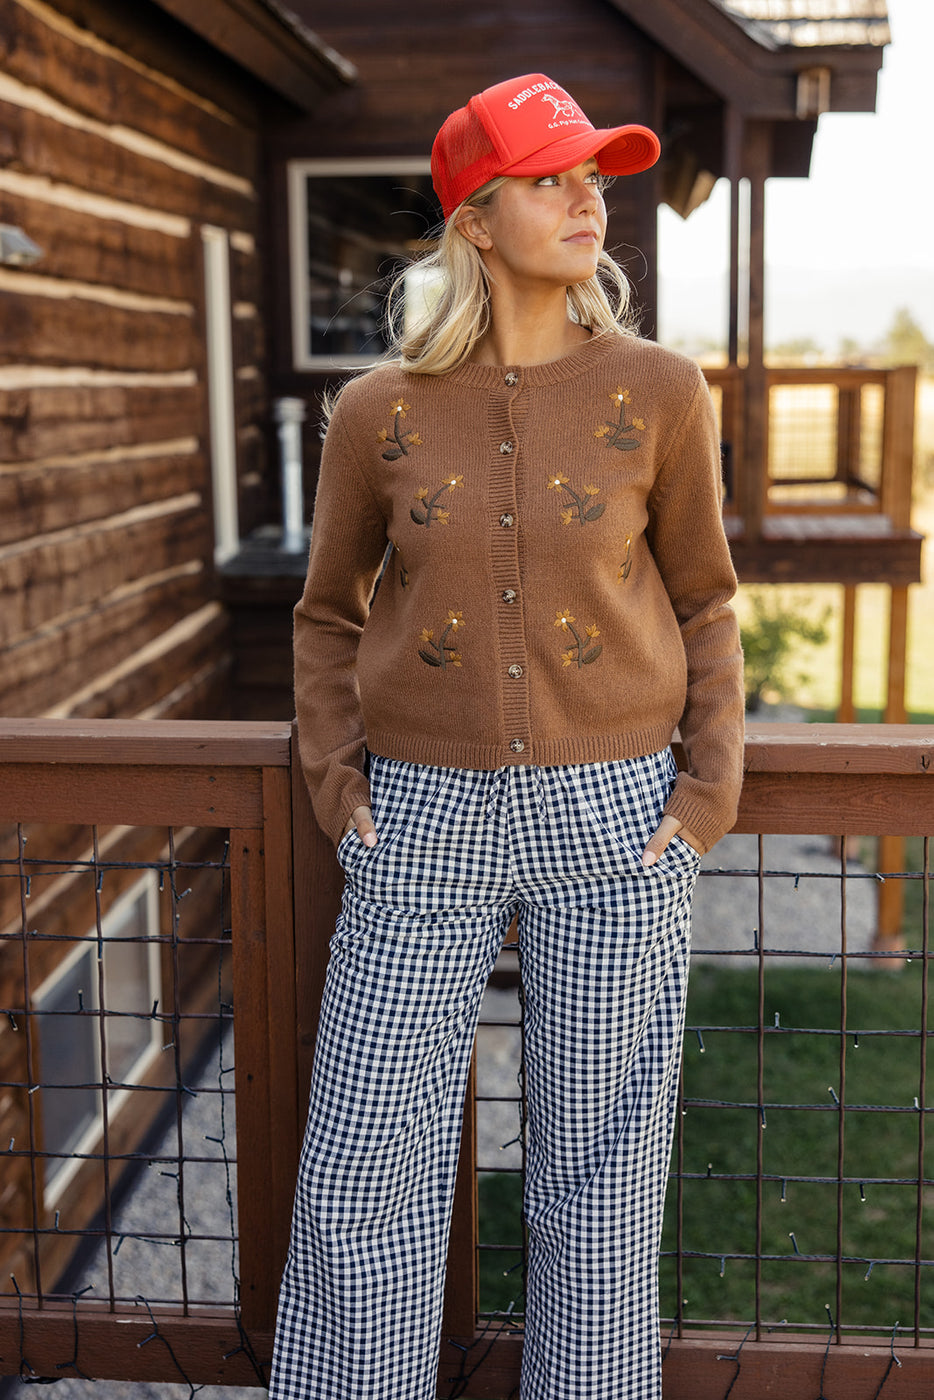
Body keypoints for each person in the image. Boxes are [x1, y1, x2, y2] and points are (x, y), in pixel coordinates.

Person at [270, 72, 745, 1400]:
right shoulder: (380, 413)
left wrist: (702, 797)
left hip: (618, 815)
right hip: (417, 816)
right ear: (474, 219)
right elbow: (323, 614)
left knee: (598, 1187)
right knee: (363, 1162)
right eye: (550, 178)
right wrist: (332, 781)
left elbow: (705, 599)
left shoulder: (656, 390)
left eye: (594, 174)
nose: (588, 197)